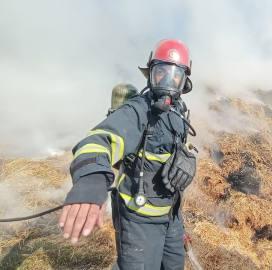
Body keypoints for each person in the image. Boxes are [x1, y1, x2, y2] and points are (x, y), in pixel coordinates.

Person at [59, 39, 197, 270]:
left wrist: (189, 160)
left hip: (172, 216)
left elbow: (173, 153)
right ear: (151, 75)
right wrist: (91, 181)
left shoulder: (179, 113)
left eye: (175, 74)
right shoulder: (137, 109)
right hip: (138, 219)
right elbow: (97, 141)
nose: (167, 80)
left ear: (184, 81)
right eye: (160, 72)